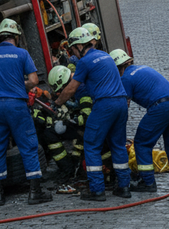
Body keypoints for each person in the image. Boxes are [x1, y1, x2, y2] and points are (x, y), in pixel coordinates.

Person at [54, 28, 131, 201]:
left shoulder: (85, 61)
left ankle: (97, 190)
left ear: (80, 45)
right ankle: (124, 187)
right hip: (121, 103)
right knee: (117, 145)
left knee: (90, 144)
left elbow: (72, 87)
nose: (73, 53)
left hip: (105, 105)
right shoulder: (106, 56)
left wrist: (57, 102)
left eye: (73, 48)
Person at [0, 19, 52, 206]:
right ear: (16, 36)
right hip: (16, 106)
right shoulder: (22, 54)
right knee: (28, 146)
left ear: (0, 37)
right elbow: (33, 81)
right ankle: (35, 192)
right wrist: (20, 84)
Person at [111, 49, 169, 192]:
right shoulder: (142, 68)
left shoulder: (125, 79)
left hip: (161, 107)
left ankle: (147, 182)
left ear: (117, 67)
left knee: (142, 143)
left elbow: (123, 106)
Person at [36, 65, 91, 183]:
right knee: (50, 131)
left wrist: (68, 119)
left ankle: (68, 169)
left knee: (50, 133)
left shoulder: (82, 90)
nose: (61, 93)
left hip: (89, 128)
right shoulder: (77, 84)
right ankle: (69, 166)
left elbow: (86, 118)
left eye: (61, 89)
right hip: (85, 126)